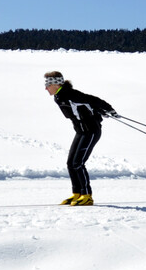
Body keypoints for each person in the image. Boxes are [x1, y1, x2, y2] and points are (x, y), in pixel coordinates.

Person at [44, 71, 118, 206]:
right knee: (71, 163)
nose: (46, 88)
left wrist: (108, 109)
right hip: (81, 131)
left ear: (56, 84)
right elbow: (85, 107)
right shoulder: (59, 96)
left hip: (91, 131)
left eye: (48, 85)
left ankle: (87, 195)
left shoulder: (70, 94)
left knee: (78, 163)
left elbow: (92, 100)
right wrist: (97, 110)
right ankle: (76, 194)